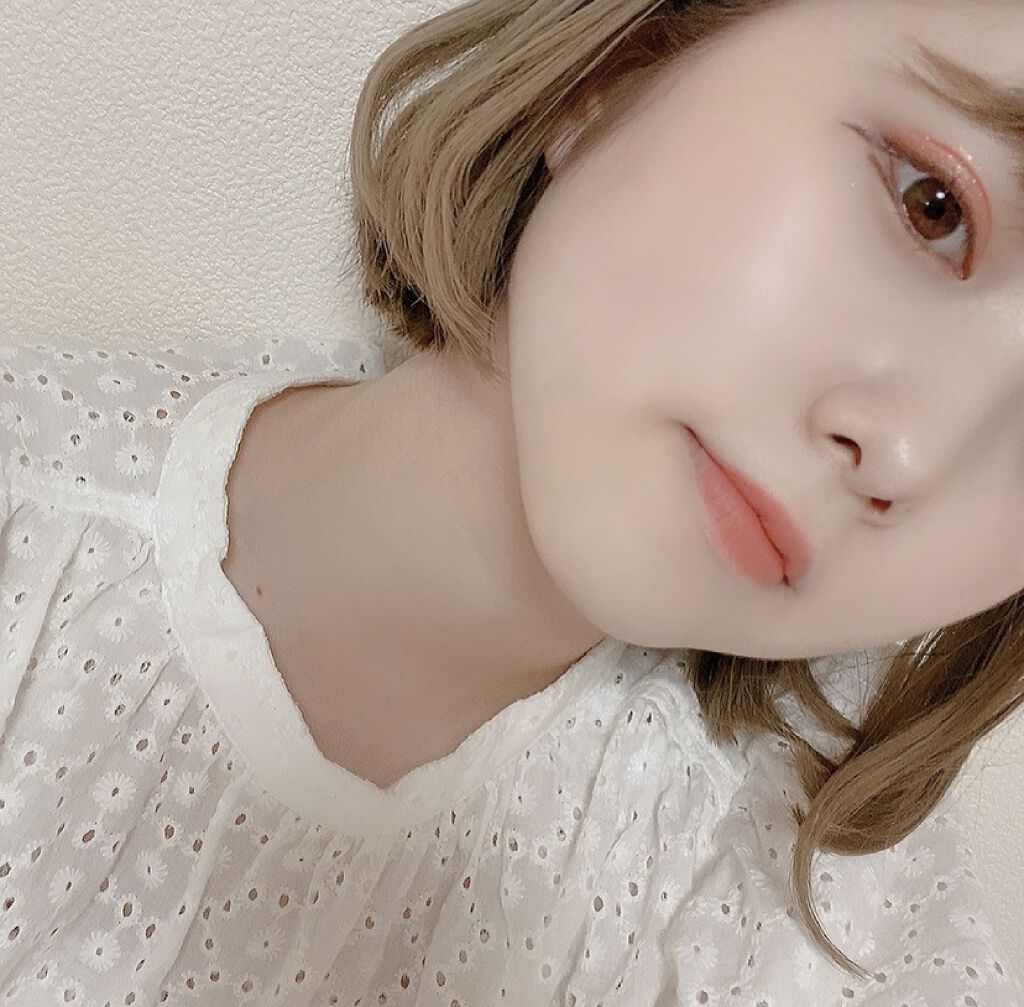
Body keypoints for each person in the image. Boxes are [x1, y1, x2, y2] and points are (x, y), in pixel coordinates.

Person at [1, 0, 1023, 1002]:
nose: (912, 455)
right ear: (625, 65)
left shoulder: (839, 918)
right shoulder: (32, 529)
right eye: (934, 207)